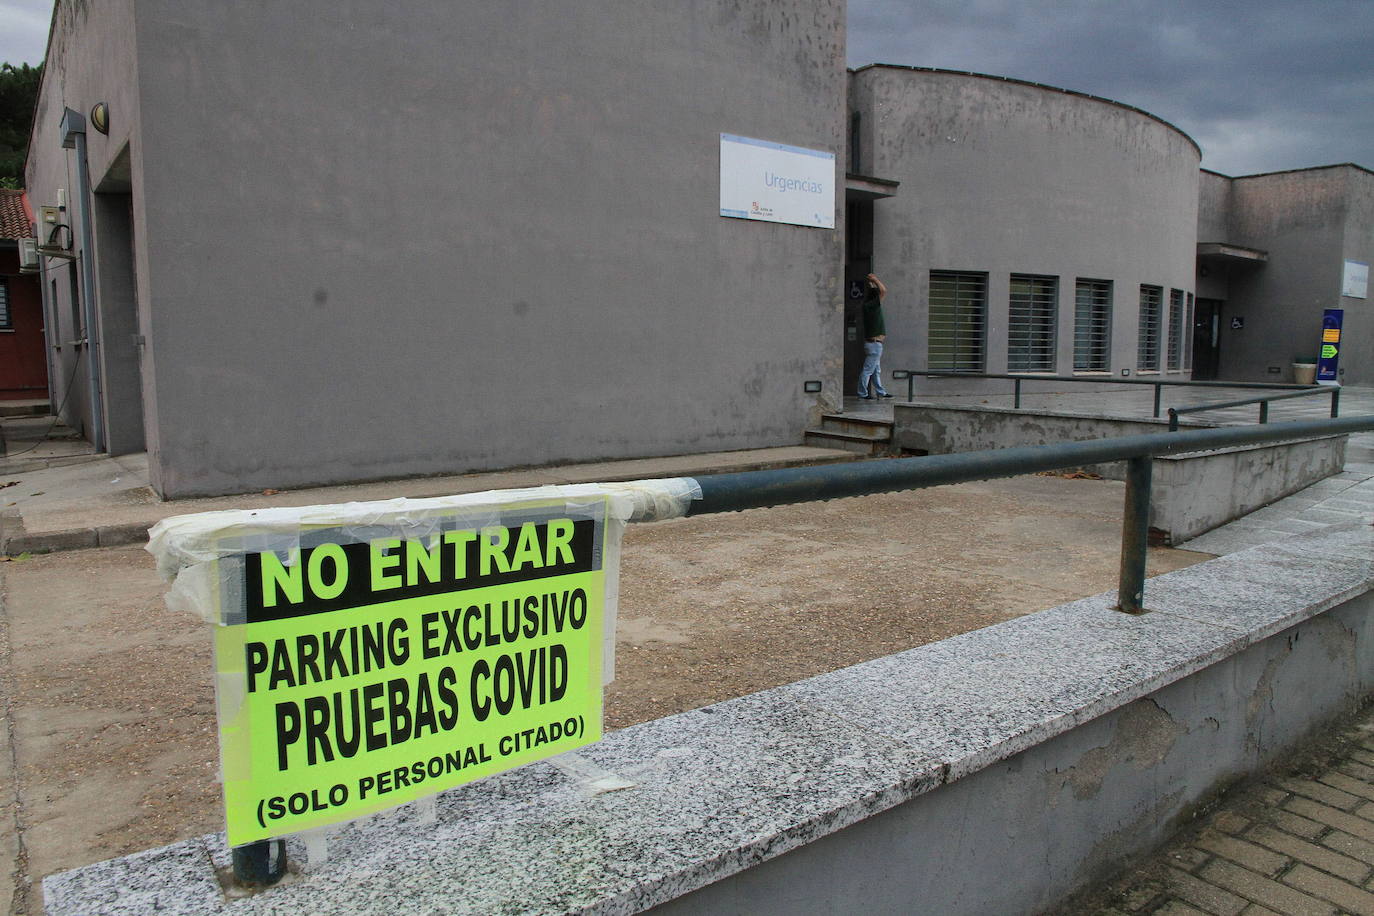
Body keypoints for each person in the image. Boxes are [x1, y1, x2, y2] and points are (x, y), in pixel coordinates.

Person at [857, 273, 894, 399]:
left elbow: (876, 291)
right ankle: (863, 393)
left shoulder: (868, 306)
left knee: (876, 370)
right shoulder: (872, 306)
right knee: (868, 370)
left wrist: (871, 283)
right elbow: (883, 291)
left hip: (874, 344)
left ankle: (880, 392)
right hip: (874, 345)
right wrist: (875, 279)